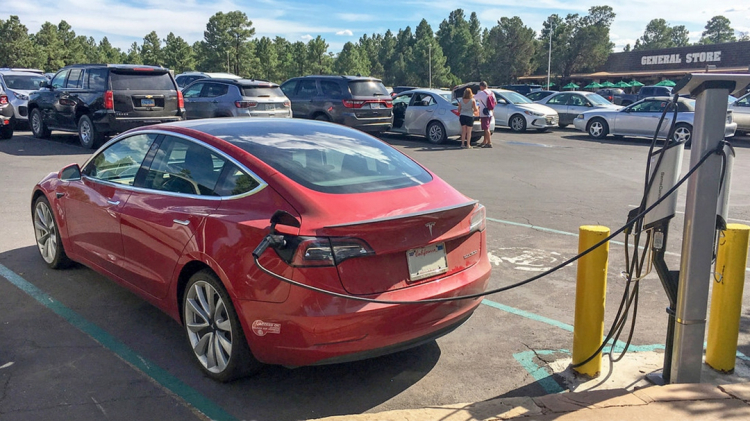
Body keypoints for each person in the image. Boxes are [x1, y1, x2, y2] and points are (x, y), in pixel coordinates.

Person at [474, 81, 494, 148]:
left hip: (484, 112)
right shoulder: (491, 92)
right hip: (490, 112)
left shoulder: (481, 93)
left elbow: (473, 98)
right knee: (486, 127)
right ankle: (484, 141)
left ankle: (489, 142)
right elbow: (495, 102)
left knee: (486, 128)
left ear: (481, 86)